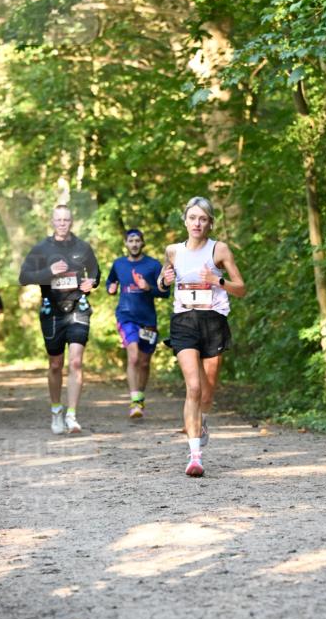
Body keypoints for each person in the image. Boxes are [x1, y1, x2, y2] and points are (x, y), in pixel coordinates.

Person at [159, 196, 246, 477]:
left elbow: (241, 288)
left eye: (203, 219)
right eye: (193, 218)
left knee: (208, 389)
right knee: (193, 387)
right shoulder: (173, 250)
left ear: (210, 223)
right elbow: (163, 280)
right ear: (185, 220)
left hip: (213, 321)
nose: (197, 223)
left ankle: (202, 419)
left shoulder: (219, 249)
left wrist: (217, 281)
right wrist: (163, 281)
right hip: (183, 320)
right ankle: (194, 456)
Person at [19, 205, 100, 434]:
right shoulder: (42, 249)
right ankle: (56, 410)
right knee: (55, 364)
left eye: (66, 219)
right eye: (59, 220)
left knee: (75, 362)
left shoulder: (82, 247)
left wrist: (90, 283)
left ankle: (72, 415)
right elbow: (24, 277)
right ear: (52, 222)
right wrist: (49, 271)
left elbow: (95, 273)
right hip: (52, 311)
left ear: (72, 221)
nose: (62, 223)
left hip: (78, 308)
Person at [106, 228, 170, 419]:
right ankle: (134, 401)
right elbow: (110, 282)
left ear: (142, 243)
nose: (134, 244)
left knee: (144, 362)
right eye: (130, 241)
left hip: (148, 320)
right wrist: (111, 288)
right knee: (133, 357)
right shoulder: (119, 264)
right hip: (126, 317)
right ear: (125, 243)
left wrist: (148, 287)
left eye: (137, 241)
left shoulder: (153, 265)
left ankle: (140, 399)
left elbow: (165, 292)